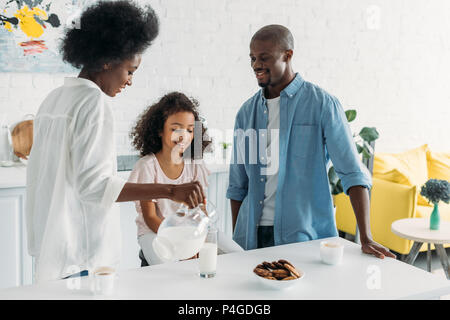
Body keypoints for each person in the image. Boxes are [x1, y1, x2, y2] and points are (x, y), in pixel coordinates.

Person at [26, 1, 205, 283]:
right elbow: (94, 187)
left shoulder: (54, 100)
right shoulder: (92, 101)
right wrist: (171, 190)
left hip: (53, 249)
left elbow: (38, 179)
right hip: (81, 255)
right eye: (130, 71)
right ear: (107, 59)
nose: (130, 81)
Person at [226, 24, 395, 259]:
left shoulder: (322, 104)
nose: (256, 65)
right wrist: (238, 242)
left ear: (288, 55)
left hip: (304, 238)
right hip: (251, 237)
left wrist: (365, 237)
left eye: (264, 57)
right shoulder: (246, 113)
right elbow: (237, 185)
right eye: (252, 58)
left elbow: (352, 174)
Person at [128, 92, 243, 265]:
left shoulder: (194, 165)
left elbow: (200, 209)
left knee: (238, 255)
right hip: (155, 231)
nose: (183, 136)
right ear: (159, 129)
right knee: (169, 269)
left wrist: (195, 237)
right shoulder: (147, 166)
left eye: (190, 130)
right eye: (175, 129)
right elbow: (150, 217)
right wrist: (183, 245)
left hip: (189, 230)